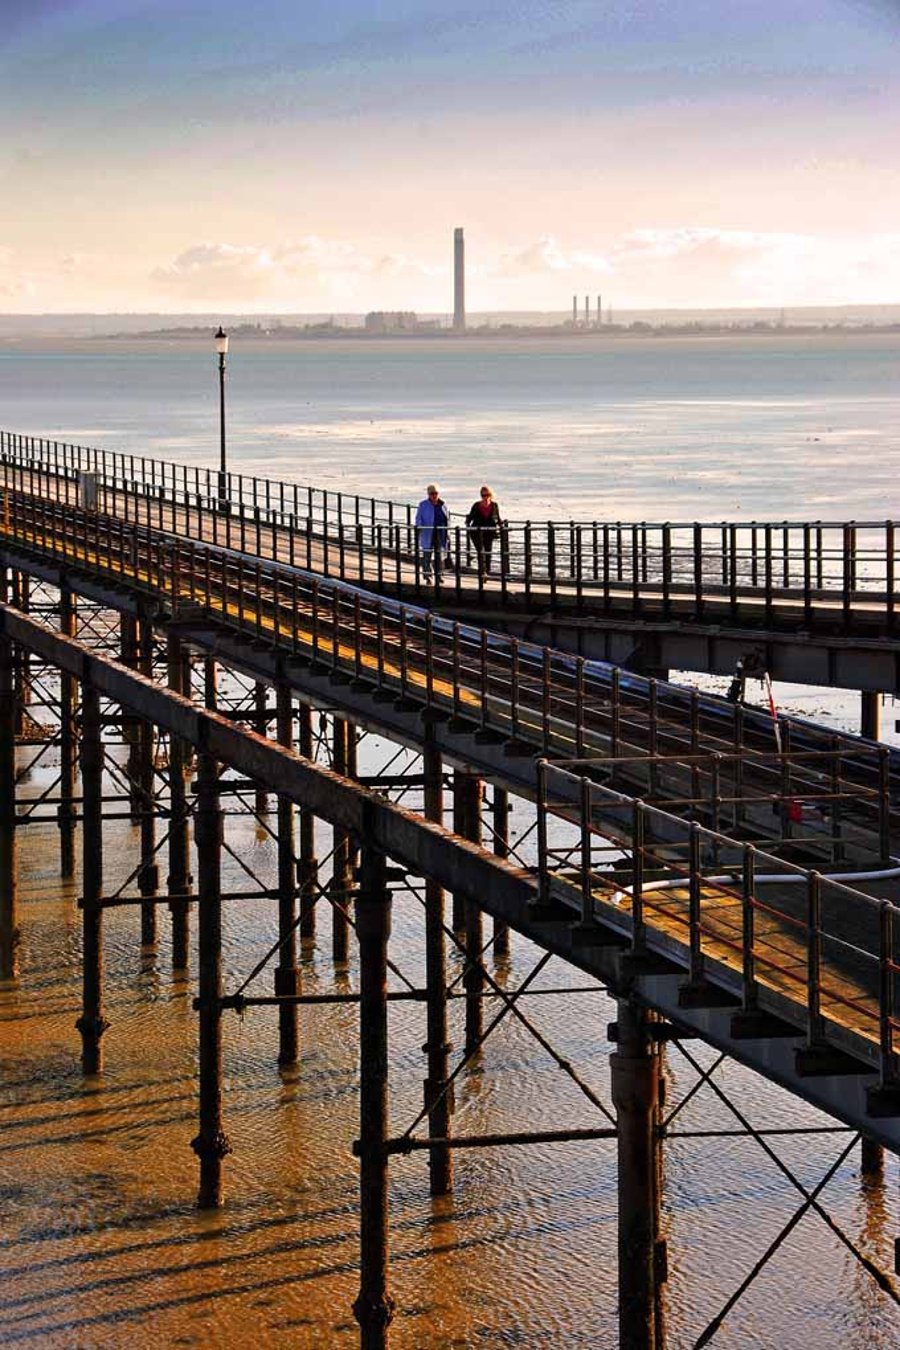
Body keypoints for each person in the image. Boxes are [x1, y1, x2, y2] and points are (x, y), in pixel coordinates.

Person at [415, 483, 449, 582]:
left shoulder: (443, 504)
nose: (434, 495)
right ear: (428, 494)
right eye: (432, 493)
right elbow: (418, 518)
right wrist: (419, 527)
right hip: (428, 532)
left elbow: (447, 519)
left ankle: (439, 575)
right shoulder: (423, 504)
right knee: (427, 555)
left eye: (436, 493)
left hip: (440, 533)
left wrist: (448, 532)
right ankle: (427, 576)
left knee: (439, 555)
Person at [465, 484, 501, 577]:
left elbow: (497, 518)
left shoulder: (494, 505)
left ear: (491, 495)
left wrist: (502, 526)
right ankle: (482, 572)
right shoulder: (476, 505)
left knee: (488, 552)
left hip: (489, 532)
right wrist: (467, 523)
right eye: (483, 495)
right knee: (481, 551)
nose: (485, 497)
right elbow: (470, 517)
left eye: (487, 495)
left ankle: (487, 572)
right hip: (477, 533)